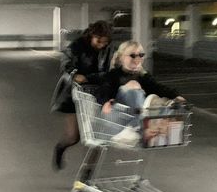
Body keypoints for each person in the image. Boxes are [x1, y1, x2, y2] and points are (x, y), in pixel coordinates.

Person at [95, 40, 186, 146]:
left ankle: (150, 128)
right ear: (121, 57)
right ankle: (137, 128)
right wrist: (106, 102)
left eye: (141, 55)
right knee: (133, 84)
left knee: (162, 101)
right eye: (132, 55)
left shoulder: (143, 76)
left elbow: (158, 87)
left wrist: (175, 96)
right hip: (118, 119)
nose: (137, 59)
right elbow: (103, 90)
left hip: (139, 116)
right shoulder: (113, 75)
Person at [51, 20, 115, 170]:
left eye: (105, 42)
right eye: (99, 41)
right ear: (92, 35)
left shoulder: (108, 48)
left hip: (96, 93)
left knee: (94, 137)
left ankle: (86, 175)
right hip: (75, 94)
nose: (102, 45)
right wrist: (74, 74)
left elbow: (108, 68)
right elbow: (66, 63)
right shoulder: (77, 46)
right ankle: (60, 148)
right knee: (73, 137)